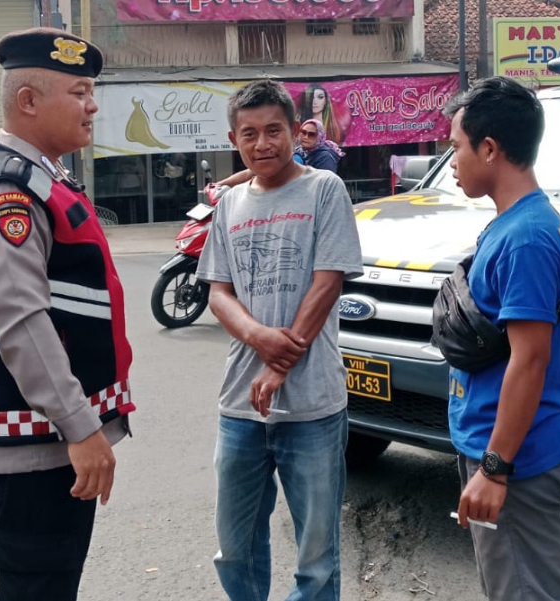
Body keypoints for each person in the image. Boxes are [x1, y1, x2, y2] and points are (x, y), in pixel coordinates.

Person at [0, 27, 136, 600]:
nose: (92, 105)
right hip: (39, 443)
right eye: (79, 93)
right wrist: (81, 428)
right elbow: (20, 319)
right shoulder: (8, 191)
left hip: (48, 435)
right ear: (28, 101)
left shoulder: (41, 178)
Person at [197, 79, 363, 601]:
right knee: (235, 547)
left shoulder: (324, 189)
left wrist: (279, 363)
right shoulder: (229, 204)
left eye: (274, 130)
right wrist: (259, 337)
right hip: (240, 406)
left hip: (313, 406)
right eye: (249, 134)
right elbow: (218, 292)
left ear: (295, 131)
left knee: (317, 558)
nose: (262, 143)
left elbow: (328, 281)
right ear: (234, 140)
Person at [442, 77, 560, 601]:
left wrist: (496, 468)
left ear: (489, 149)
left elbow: (531, 360)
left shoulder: (527, 237)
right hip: (499, 446)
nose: (451, 161)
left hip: (517, 457)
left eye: (456, 146)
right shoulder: (516, 222)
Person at [215, 118, 343, 188]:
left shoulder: (325, 156)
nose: (306, 137)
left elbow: (326, 187)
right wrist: (220, 184)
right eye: (303, 132)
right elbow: (251, 172)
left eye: (312, 134)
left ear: (320, 137)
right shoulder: (298, 152)